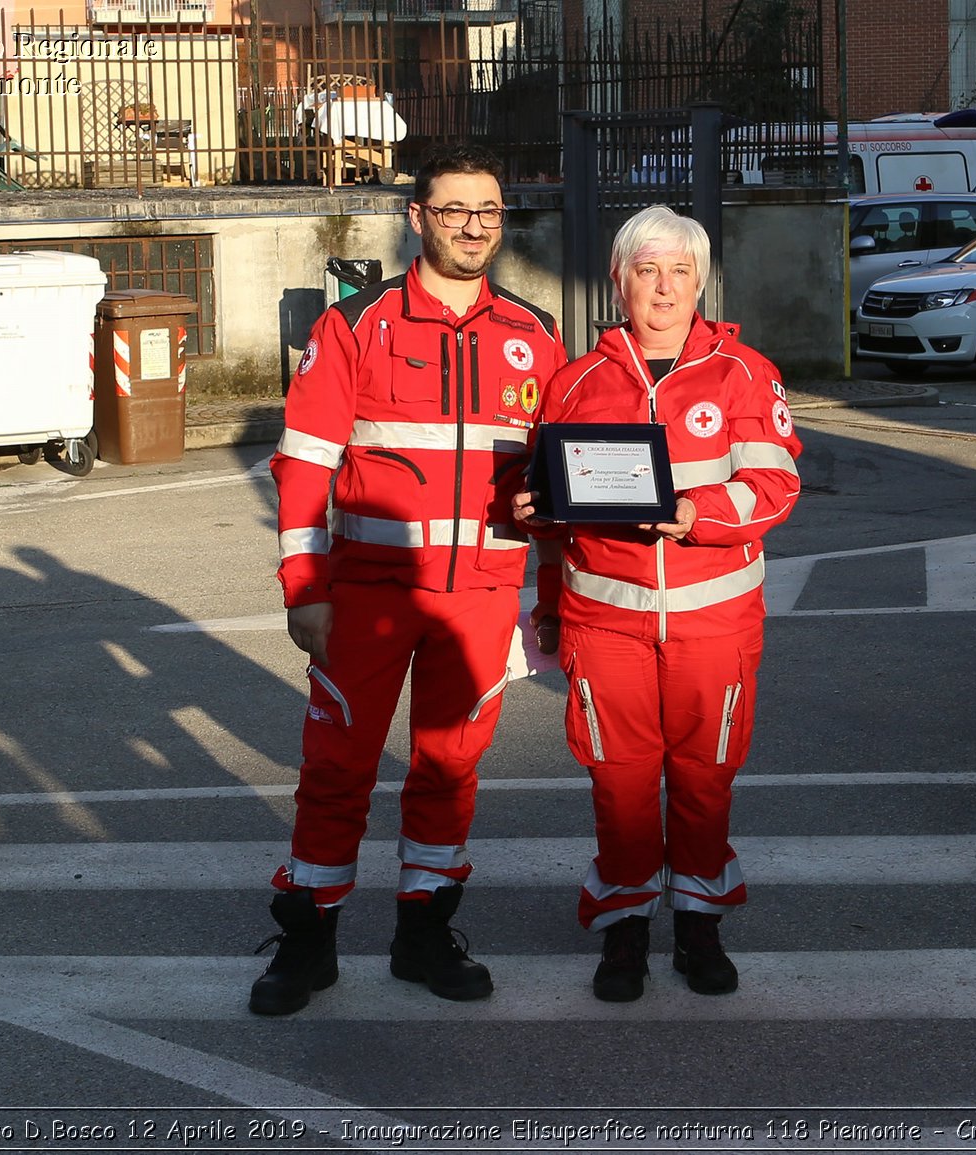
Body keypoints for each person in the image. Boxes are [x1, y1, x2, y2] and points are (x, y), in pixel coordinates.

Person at [250, 143, 567, 1016]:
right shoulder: (355, 325)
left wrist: (554, 585)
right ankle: (308, 940)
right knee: (337, 764)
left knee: (448, 770)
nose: (474, 226)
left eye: (490, 211)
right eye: (456, 209)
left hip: (483, 596)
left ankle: (424, 931)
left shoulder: (535, 336)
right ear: (417, 217)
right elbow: (305, 464)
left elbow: (561, 474)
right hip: (366, 596)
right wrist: (303, 586)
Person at [513, 205, 802, 1002]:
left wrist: (695, 513)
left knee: (706, 780)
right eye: (648, 271)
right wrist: (535, 523)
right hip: (604, 624)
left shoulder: (747, 375)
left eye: (679, 271)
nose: (664, 287)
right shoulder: (574, 382)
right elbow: (545, 514)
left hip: (716, 627)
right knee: (620, 783)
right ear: (620, 282)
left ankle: (700, 924)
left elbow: (776, 487)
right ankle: (627, 929)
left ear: (701, 280)